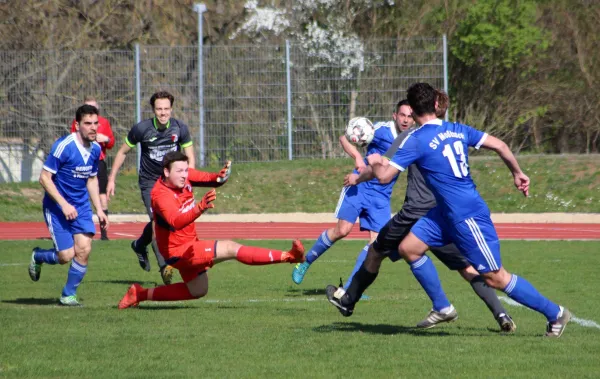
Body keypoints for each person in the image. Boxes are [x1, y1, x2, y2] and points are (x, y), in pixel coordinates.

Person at [327, 83, 570, 338]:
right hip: (442, 213)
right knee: (409, 248)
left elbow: (385, 177)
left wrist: (375, 164)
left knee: (496, 277)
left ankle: (555, 313)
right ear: (434, 105)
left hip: (467, 215)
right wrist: (518, 173)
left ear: (412, 109)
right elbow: (500, 145)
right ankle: (444, 307)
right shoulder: (457, 128)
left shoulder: (415, 139)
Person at [118, 151, 305, 309]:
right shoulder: (160, 195)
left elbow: (210, 179)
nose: (185, 175)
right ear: (166, 171)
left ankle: (139, 294)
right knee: (231, 248)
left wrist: (220, 176)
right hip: (179, 252)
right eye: (179, 171)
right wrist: (199, 208)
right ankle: (289, 256)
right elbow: (175, 221)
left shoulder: (183, 177)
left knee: (198, 290)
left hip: (190, 244)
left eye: (186, 169)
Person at [291, 100, 414, 291]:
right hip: (359, 186)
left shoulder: (413, 139)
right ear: (395, 116)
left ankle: (349, 290)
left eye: (410, 116)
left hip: (381, 197)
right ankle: (305, 262)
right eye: (403, 115)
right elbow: (344, 138)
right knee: (342, 230)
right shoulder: (380, 130)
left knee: (376, 245)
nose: (406, 120)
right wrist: (358, 158)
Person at [106, 91, 196, 285]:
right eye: (159, 109)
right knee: (158, 222)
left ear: (171, 109)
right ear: (153, 110)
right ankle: (165, 267)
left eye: (166, 109)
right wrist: (112, 178)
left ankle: (139, 245)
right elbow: (122, 152)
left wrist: (190, 179)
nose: (163, 113)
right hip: (150, 184)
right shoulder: (142, 129)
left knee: (170, 222)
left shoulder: (180, 128)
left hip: (171, 183)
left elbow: (189, 154)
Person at [28, 104, 109, 306]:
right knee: (66, 255)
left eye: (95, 123)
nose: (93, 128)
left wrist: (99, 209)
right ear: (77, 125)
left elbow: (91, 180)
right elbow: (44, 178)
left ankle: (68, 294)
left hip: (80, 206)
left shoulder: (96, 149)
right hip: (56, 207)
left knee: (84, 249)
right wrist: (64, 204)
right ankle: (38, 256)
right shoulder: (63, 146)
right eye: (87, 123)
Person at [70, 96, 115, 240]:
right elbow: (74, 137)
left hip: (98, 161)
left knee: (102, 195)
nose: (92, 126)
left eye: (94, 108)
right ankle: (73, 229)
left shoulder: (104, 123)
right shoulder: (77, 125)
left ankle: (104, 233)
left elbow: (111, 142)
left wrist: (106, 139)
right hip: (80, 162)